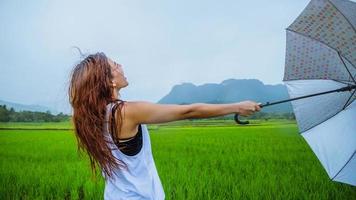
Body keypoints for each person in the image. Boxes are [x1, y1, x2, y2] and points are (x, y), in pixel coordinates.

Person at [68, 52, 261, 200]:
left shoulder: (93, 118)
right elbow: (188, 111)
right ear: (109, 81)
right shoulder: (126, 112)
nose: (121, 66)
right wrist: (237, 106)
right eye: (115, 65)